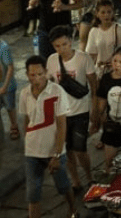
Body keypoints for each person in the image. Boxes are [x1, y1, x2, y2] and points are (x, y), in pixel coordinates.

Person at [20, 55, 76, 218]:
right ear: (27, 74)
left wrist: (57, 154)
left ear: (46, 72)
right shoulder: (24, 94)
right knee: (33, 193)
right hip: (32, 152)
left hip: (53, 151)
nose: (36, 78)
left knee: (63, 186)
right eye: (32, 75)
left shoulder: (57, 92)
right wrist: (28, 141)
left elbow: (61, 125)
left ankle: (73, 210)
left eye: (39, 74)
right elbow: (26, 120)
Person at [46, 25, 96, 191]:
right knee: (67, 152)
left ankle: (89, 177)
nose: (62, 49)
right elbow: (50, 85)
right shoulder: (52, 61)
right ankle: (75, 181)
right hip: (61, 114)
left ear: (71, 41)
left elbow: (94, 85)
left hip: (81, 110)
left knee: (80, 149)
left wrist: (96, 110)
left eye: (65, 44)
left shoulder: (83, 58)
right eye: (57, 46)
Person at [86, 0, 121, 78]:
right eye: (103, 12)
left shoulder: (119, 29)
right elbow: (91, 54)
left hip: (115, 70)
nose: (106, 15)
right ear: (97, 14)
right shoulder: (94, 31)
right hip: (100, 71)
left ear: (113, 13)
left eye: (109, 12)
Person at [0, 36, 15, 140]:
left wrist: (5, 86)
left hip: (7, 85)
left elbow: (10, 67)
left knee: (10, 108)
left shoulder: (3, 48)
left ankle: (14, 126)